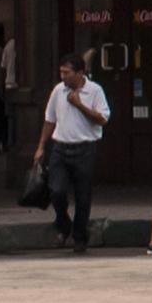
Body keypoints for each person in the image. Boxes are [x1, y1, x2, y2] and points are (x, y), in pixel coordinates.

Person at [37, 53, 110, 248]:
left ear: (79, 73)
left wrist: (80, 105)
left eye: (67, 73)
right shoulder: (58, 90)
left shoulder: (95, 91)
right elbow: (49, 120)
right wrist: (41, 146)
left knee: (83, 196)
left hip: (85, 148)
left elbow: (103, 119)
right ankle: (63, 223)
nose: (63, 76)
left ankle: (79, 236)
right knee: (57, 190)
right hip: (60, 147)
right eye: (61, 72)